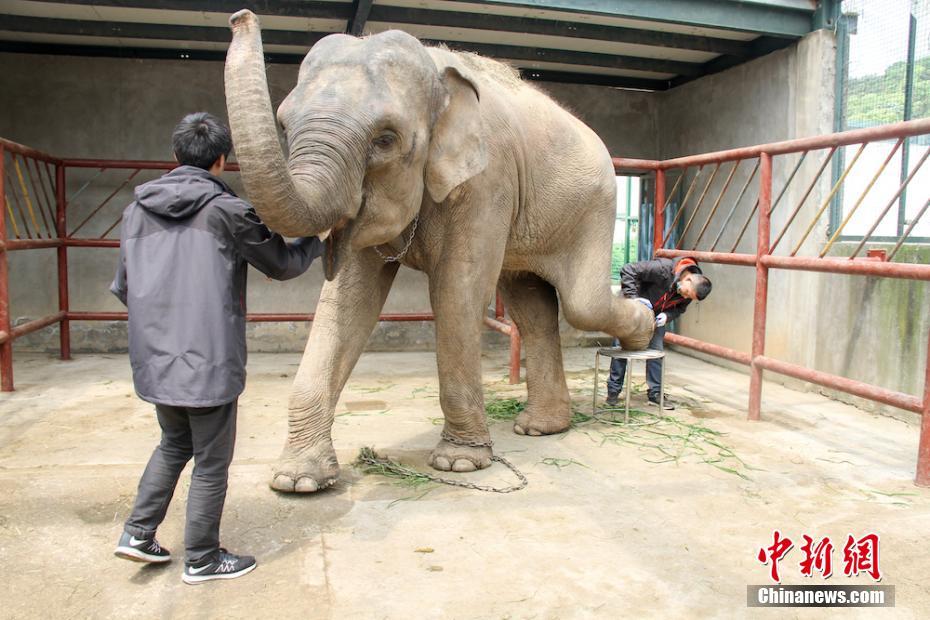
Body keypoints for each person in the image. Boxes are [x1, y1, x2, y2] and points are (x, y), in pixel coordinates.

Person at [111, 112, 324, 584]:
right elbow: (283, 264)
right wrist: (317, 240)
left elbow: (125, 287)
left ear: (175, 156)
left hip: (156, 358)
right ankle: (203, 558)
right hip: (208, 361)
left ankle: (138, 533)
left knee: (173, 442)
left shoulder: (135, 211)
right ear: (222, 161)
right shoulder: (228, 212)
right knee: (211, 461)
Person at [606, 257, 712, 410]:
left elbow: (679, 309)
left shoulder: (689, 291)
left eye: (689, 297)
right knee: (621, 349)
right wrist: (634, 299)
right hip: (632, 310)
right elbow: (628, 269)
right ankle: (613, 392)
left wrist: (667, 316)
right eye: (687, 293)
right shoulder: (662, 269)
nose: (685, 297)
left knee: (656, 352)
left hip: (655, 317)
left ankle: (655, 394)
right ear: (687, 279)